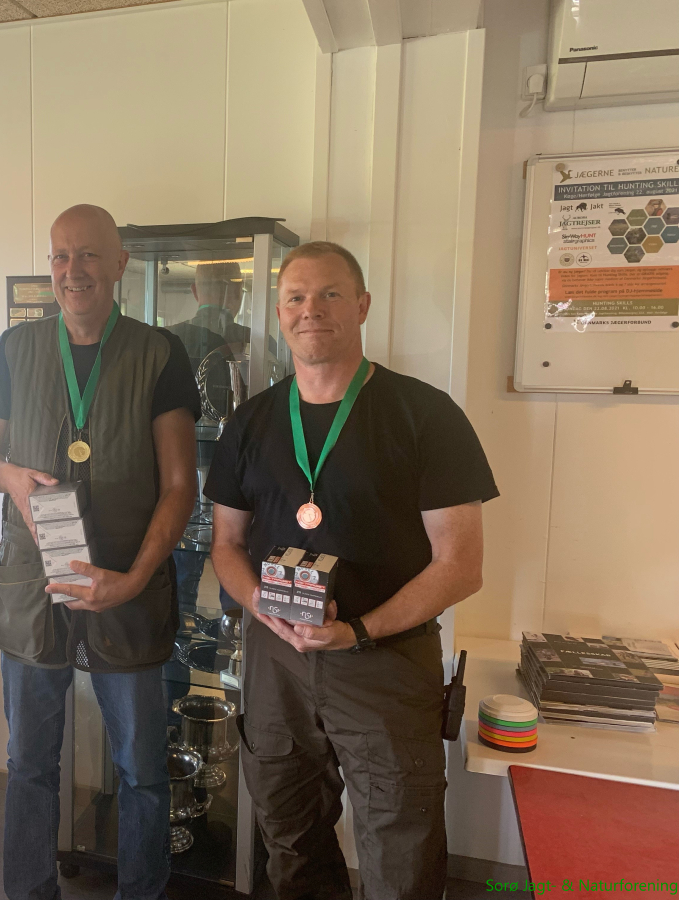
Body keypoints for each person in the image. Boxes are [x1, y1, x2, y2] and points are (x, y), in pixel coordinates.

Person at [206, 241, 498, 900]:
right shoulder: (251, 422)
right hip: (276, 661)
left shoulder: (425, 415)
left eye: (330, 294)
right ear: (279, 312)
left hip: (383, 663)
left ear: (362, 305)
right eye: (296, 297)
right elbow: (226, 544)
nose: (311, 310)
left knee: (400, 848)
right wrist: (263, 607)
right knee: (290, 839)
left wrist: (358, 630)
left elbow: (461, 564)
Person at [0, 204, 200, 900]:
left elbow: (180, 486)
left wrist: (134, 580)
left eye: (89, 254)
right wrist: (11, 478)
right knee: (28, 764)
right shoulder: (15, 348)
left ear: (120, 263)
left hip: (125, 583)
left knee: (141, 770)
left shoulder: (160, 353)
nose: (74, 271)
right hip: (32, 584)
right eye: (61, 256)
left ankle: (141, 891)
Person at [166, 262, 249, 613]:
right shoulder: (253, 340)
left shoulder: (167, 339)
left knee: (181, 579)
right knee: (237, 578)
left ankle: (181, 637)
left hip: (180, 471)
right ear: (239, 294)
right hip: (238, 477)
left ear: (194, 291)